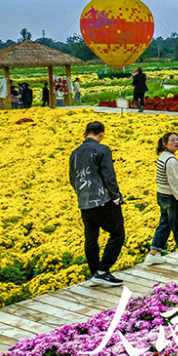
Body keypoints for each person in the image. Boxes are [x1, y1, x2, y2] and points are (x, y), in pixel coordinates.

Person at [68, 121, 125, 287]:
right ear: (101, 134)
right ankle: (102, 271)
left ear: (85, 134)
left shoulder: (75, 153)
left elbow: (72, 179)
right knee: (118, 234)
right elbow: (109, 175)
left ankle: (94, 272)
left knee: (91, 238)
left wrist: (82, 194)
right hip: (102, 200)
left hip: (84, 202)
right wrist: (115, 196)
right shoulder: (102, 149)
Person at [146, 132, 178, 264]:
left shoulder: (165, 156)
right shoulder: (170, 160)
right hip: (171, 197)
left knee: (165, 224)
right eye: (172, 140)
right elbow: (174, 182)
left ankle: (153, 254)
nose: (176, 142)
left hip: (162, 195)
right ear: (164, 144)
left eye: (177, 139)